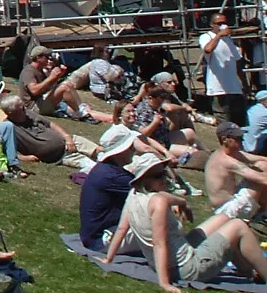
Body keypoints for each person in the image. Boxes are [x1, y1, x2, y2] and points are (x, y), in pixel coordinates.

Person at [105, 153, 267, 292]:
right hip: (186, 268)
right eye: (158, 176)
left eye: (164, 173)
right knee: (238, 226)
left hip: (174, 258)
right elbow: (159, 243)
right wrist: (165, 283)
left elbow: (122, 228)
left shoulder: (133, 195)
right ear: (144, 180)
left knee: (224, 218)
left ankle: (246, 271)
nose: (164, 179)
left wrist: (109, 259)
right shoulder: (159, 202)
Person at [78, 125, 139, 251]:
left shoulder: (105, 170)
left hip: (95, 235)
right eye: (131, 147)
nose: (134, 150)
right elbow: (152, 194)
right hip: (102, 241)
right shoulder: (113, 176)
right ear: (121, 151)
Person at [19, 46, 102, 123]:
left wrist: (58, 76)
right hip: (33, 107)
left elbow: (47, 88)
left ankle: (80, 108)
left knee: (67, 84)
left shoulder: (39, 70)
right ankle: (80, 114)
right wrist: (51, 77)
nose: (49, 59)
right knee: (64, 87)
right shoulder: (29, 71)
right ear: (38, 58)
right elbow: (34, 91)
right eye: (47, 56)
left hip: (41, 101)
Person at [205, 120, 267, 221]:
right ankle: (262, 213)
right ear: (224, 139)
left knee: (263, 165)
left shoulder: (228, 153)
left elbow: (262, 159)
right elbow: (262, 179)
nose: (242, 141)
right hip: (227, 210)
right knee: (260, 179)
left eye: (242, 137)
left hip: (232, 201)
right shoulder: (226, 161)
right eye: (238, 138)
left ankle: (262, 212)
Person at [200, 13, 246, 124]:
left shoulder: (229, 39)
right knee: (224, 123)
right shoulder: (206, 37)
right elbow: (207, 49)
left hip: (234, 88)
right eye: (219, 23)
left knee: (239, 121)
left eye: (224, 23)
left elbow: (237, 62)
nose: (223, 26)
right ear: (212, 24)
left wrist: (245, 84)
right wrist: (219, 36)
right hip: (218, 89)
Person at [245, 89, 267, 154]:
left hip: (246, 143)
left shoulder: (251, 109)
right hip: (256, 147)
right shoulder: (264, 112)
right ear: (264, 101)